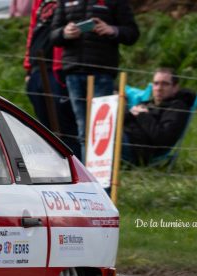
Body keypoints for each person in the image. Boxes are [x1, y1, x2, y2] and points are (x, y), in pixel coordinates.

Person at [50, 0, 138, 161]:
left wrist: (112, 30)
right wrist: (64, 32)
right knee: (83, 129)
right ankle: (89, 179)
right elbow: (53, 35)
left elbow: (132, 33)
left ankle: (101, 179)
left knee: (101, 130)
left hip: (102, 73)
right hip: (73, 73)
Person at [23, 0, 79, 155]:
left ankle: (75, 167)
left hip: (58, 69)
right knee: (45, 129)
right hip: (36, 70)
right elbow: (32, 30)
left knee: (65, 126)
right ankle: (55, 168)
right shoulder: (38, 2)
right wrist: (28, 68)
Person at [122, 68, 195, 167]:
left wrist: (142, 116)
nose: (159, 88)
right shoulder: (147, 103)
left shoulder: (177, 108)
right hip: (127, 137)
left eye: (165, 84)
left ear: (175, 88)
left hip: (138, 151)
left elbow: (162, 139)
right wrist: (130, 114)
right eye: (156, 83)